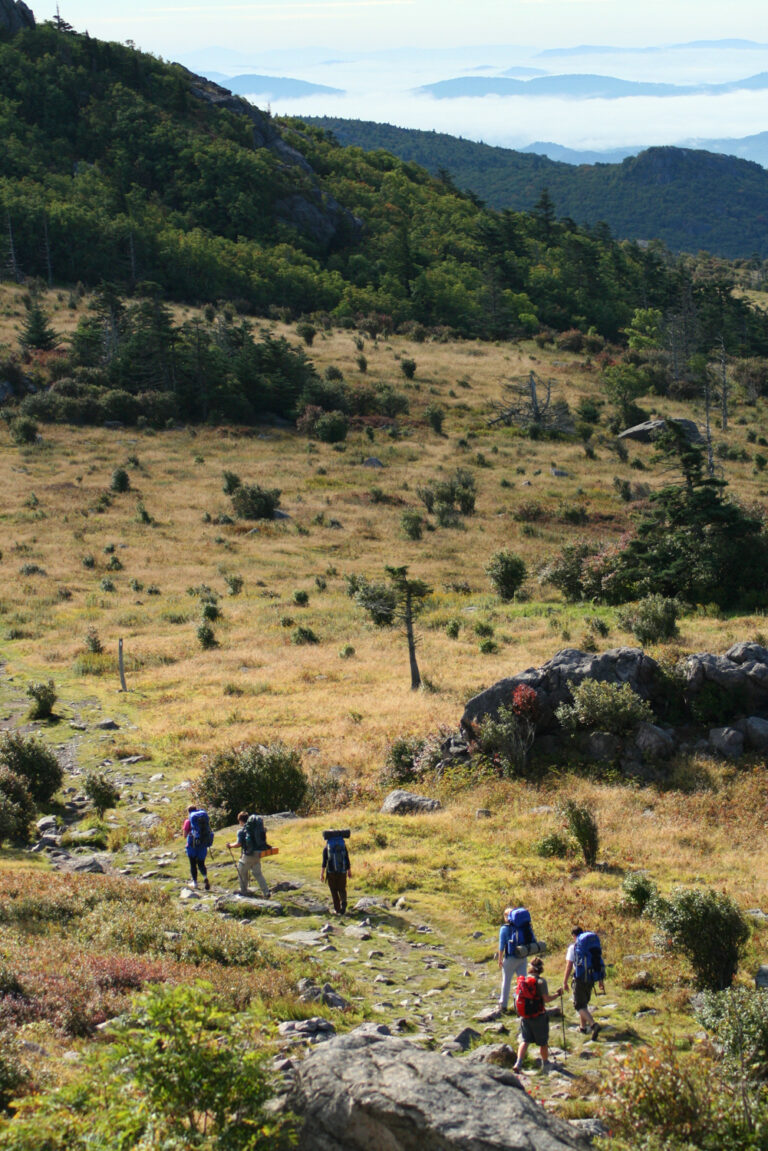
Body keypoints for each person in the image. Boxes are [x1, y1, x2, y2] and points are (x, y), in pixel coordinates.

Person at [513, 955, 561, 1073]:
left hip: (525, 1016)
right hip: (538, 1015)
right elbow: (546, 999)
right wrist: (557, 994)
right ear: (540, 969)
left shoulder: (523, 980)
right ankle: (545, 1063)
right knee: (543, 1042)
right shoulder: (540, 981)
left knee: (525, 1040)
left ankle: (518, 1063)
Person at [563, 925, 605, 1039]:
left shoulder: (574, 947)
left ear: (574, 936)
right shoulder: (591, 946)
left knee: (579, 1005)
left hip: (580, 978)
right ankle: (582, 1027)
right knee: (584, 1003)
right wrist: (601, 980)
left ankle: (593, 1024)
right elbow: (597, 962)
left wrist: (565, 981)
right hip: (591, 977)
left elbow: (569, 966)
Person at [227, 811, 271, 898]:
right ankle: (266, 892)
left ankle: (244, 891)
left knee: (242, 871)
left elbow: (238, 844)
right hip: (258, 854)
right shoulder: (254, 828)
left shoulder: (241, 831)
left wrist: (230, 845)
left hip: (248, 855)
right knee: (258, 874)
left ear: (240, 821)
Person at [497, 906, 529, 1011]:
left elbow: (502, 945)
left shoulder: (504, 928)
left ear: (507, 917)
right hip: (523, 956)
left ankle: (503, 1005)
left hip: (510, 957)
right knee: (523, 981)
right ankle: (523, 1004)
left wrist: (500, 959)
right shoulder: (523, 927)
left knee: (506, 981)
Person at [321, 833, 351, 915]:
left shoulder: (327, 847)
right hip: (342, 870)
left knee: (333, 890)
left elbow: (324, 862)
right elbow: (346, 858)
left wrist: (322, 874)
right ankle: (343, 903)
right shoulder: (343, 846)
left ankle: (337, 910)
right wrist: (349, 871)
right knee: (342, 888)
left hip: (331, 871)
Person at [183, 805, 210, 890]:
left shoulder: (188, 821)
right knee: (201, 863)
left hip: (192, 846)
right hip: (202, 845)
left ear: (189, 812)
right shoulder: (203, 819)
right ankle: (205, 877)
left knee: (193, 864)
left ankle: (195, 883)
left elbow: (184, 835)